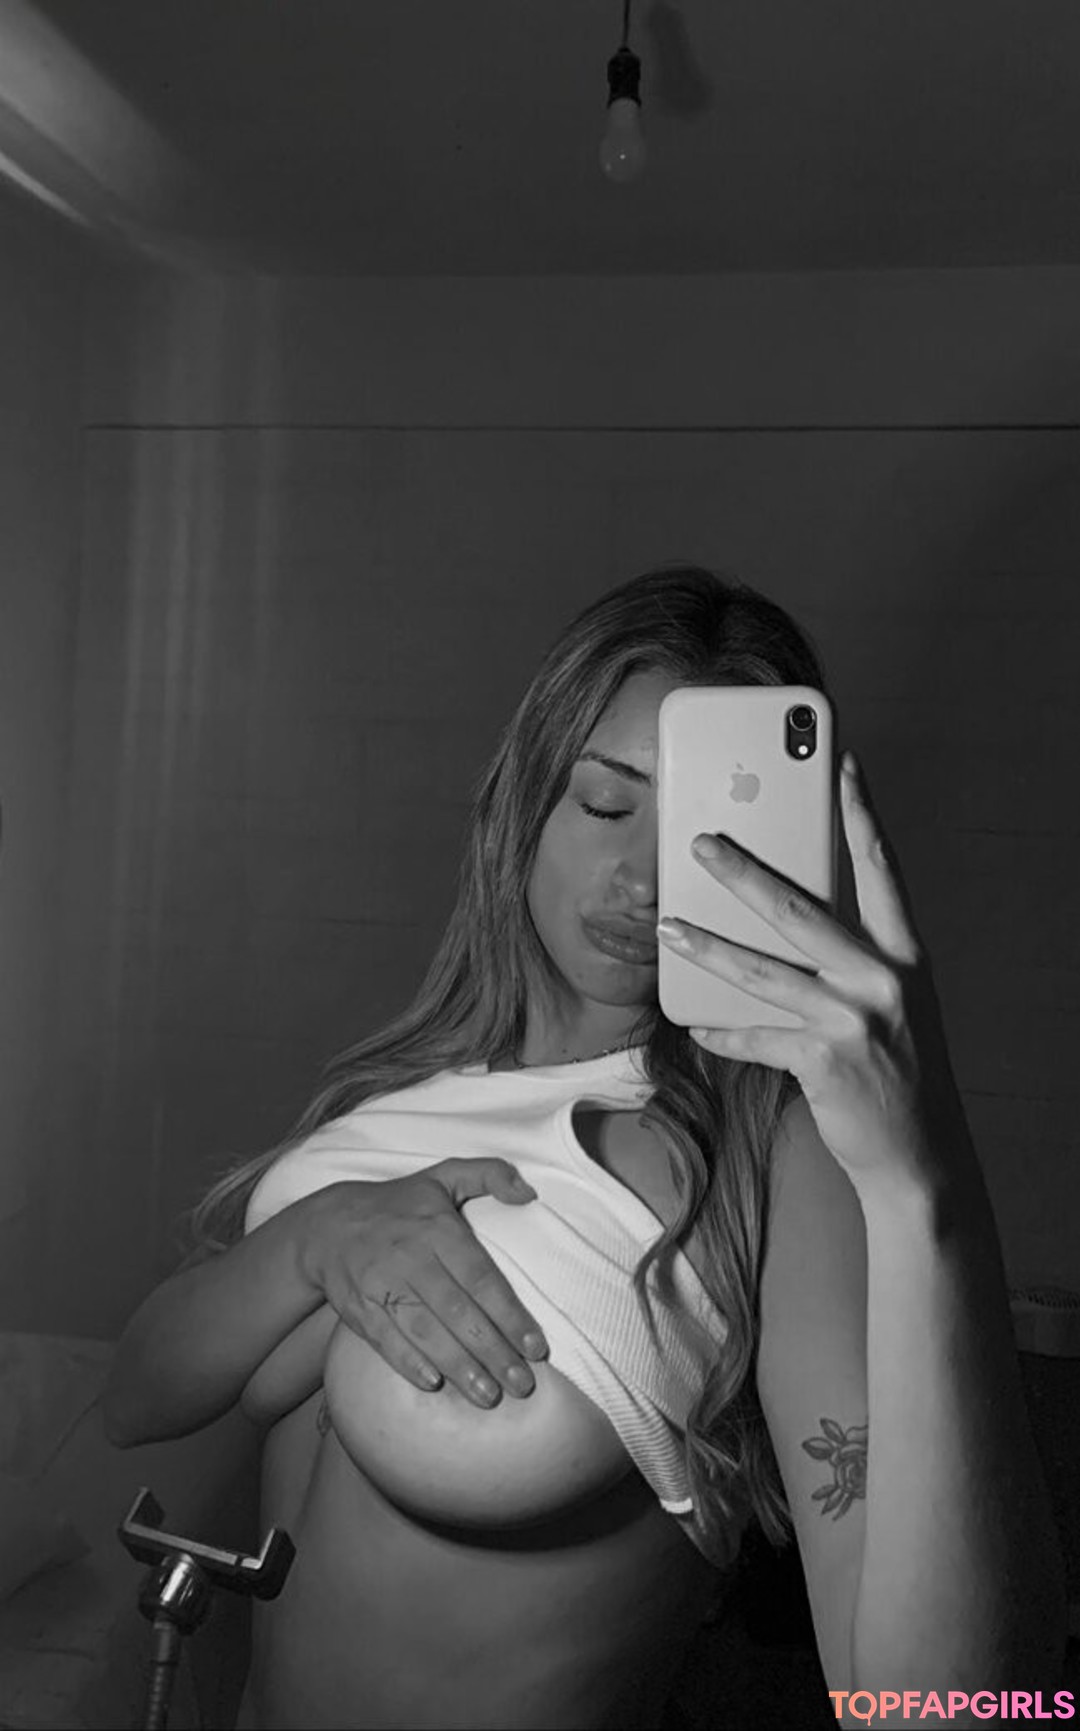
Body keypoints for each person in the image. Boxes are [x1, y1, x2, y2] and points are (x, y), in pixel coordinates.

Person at [104, 567, 1065, 1731]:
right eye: (608, 807)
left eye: (708, 836)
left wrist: (925, 1170)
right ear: (528, 805)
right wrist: (317, 1238)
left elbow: (943, 1710)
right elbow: (137, 1396)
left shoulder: (775, 1155)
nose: (645, 880)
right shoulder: (397, 1083)